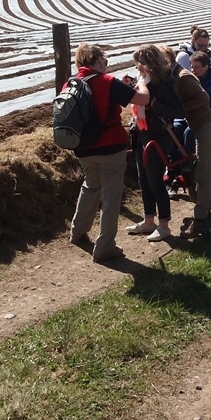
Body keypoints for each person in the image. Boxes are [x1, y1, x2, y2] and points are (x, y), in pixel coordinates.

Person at [68, 43, 138, 262]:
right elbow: (141, 99)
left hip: (83, 148)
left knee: (90, 187)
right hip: (110, 147)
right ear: (97, 60)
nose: (106, 65)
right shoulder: (108, 82)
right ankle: (105, 246)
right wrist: (138, 87)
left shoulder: (71, 83)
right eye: (105, 61)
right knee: (111, 198)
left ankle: (77, 232)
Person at [126, 44, 184, 242]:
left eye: (138, 64)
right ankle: (148, 220)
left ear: (148, 64)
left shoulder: (164, 82)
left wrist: (154, 105)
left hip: (158, 137)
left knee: (156, 181)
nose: (136, 68)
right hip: (142, 134)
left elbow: (179, 110)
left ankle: (164, 225)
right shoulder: (144, 80)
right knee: (144, 180)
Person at [174, 50, 211, 238]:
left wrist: (190, 110)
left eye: (197, 67)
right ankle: (184, 168)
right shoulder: (189, 80)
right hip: (195, 122)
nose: (193, 70)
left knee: (204, 169)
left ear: (206, 67)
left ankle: (201, 218)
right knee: (182, 130)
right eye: (191, 67)